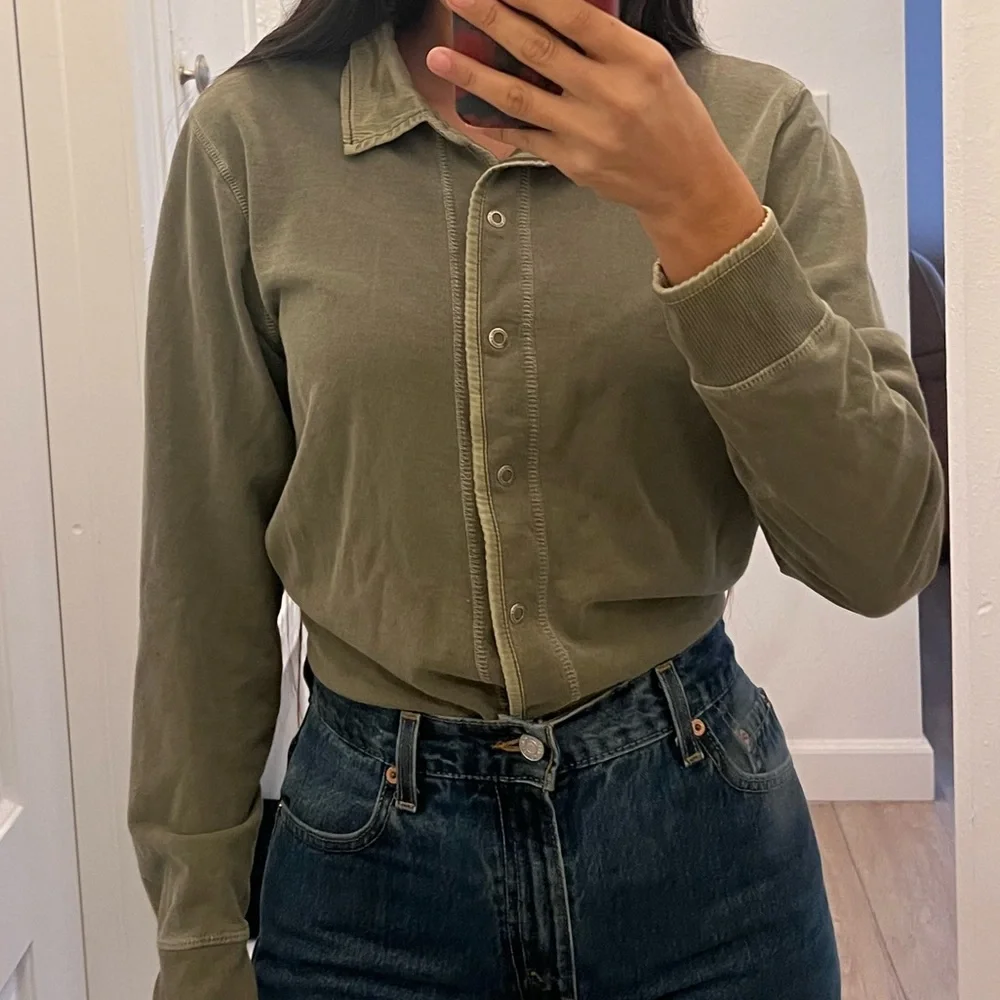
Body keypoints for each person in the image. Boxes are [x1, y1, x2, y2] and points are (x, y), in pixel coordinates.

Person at [128, 0, 945, 997]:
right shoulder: (251, 138)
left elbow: (881, 555)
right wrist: (198, 938)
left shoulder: (754, 128)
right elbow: (202, 572)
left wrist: (703, 210)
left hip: (704, 863)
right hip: (363, 879)